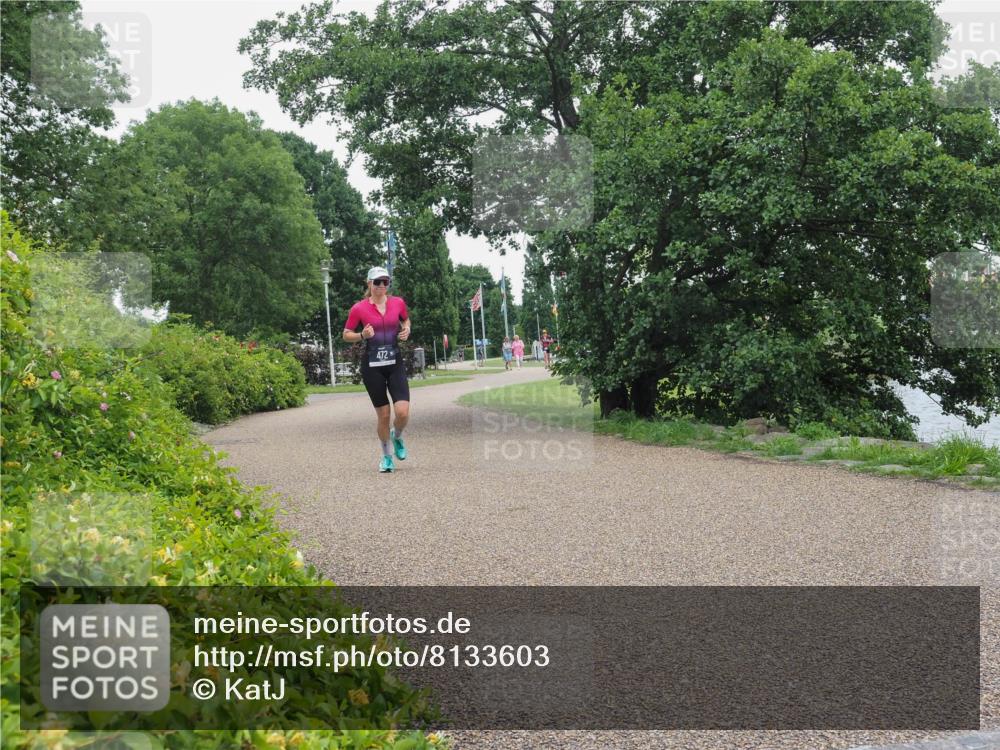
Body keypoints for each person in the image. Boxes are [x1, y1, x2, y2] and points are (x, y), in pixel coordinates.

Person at [343, 266, 411, 473]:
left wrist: (407, 328)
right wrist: (362, 335)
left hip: (394, 362)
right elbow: (346, 334)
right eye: (377, 282)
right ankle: (386, 457)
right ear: (369, 283)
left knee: (402, 412)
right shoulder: (358, 308)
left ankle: (396, 436)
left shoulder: (398, 303)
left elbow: (405, 319)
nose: (381, 286)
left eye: (385, 282)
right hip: (372, 366)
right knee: (383, 415)